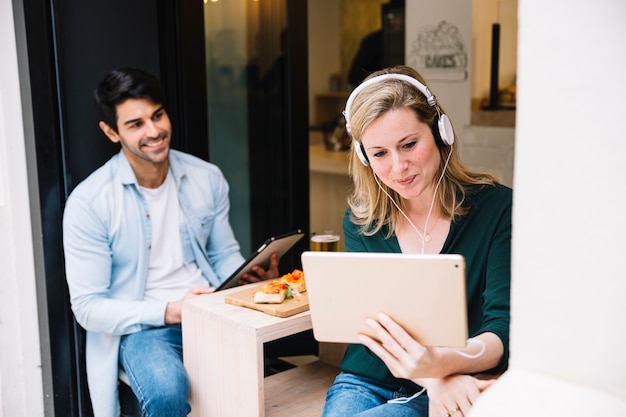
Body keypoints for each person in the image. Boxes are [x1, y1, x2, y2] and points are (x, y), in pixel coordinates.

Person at [62, 67, 279, 417]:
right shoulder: (90, 203)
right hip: (147, 327)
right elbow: (88, 307)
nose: (155, 131)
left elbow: (223, 254)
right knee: (165, 395)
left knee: (265, 389)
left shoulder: (205, 178)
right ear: (111, 132)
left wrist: (247, 278)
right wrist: (169, 310)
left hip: (212, 312)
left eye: (158, 115)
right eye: (136, 124)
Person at [321, 65, 512, 417]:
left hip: (461, 374)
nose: (398, 167)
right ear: (365, 157)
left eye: (409, 144)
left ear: (441, 132)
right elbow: (373, 326)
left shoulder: (498, 208)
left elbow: (500, 332)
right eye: (379, 153)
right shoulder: (363, 222)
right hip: (367, 378)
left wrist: (440, 365)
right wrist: (436, 377)